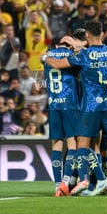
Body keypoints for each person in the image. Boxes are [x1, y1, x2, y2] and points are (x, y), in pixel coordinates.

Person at [42, 20, 107, 197]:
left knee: (82, 144)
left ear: (87, 35)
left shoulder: (84, 55)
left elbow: (59, 64)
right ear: (102, 33)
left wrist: (45, 57)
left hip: (91, 107)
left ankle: (84, 179)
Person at [42, 37, 79, 196]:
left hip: (53, 105)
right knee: (72, 145)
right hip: (69, 105)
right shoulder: (71, 57)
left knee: (56, 145)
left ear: (56, 45)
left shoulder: (47, 58)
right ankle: (65, 182)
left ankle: (57, 185)